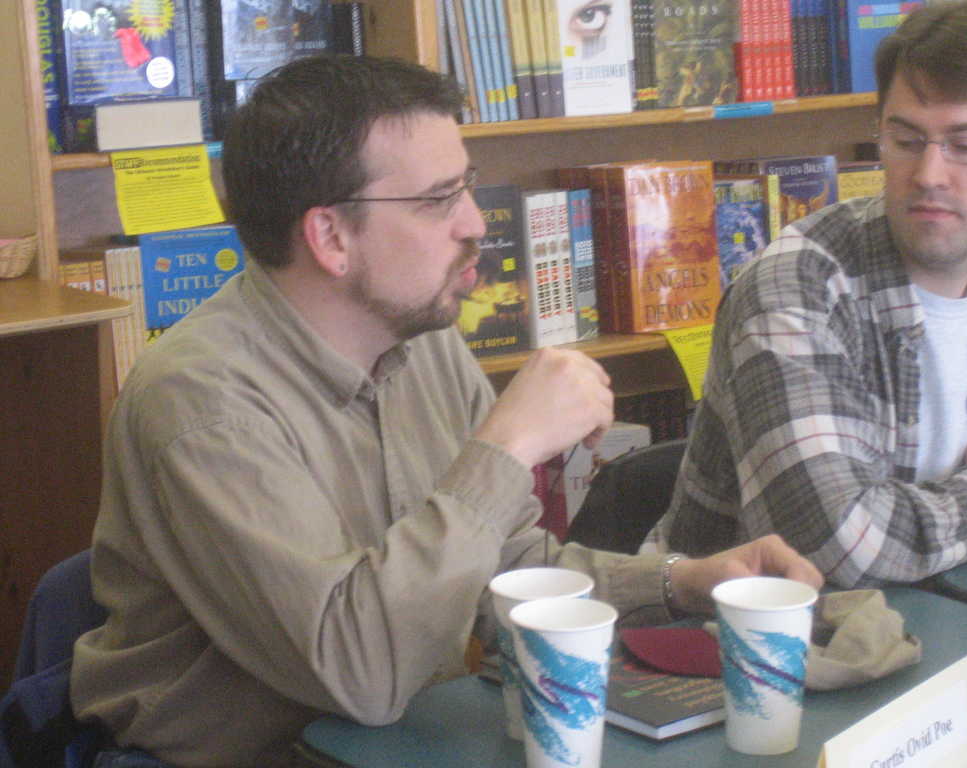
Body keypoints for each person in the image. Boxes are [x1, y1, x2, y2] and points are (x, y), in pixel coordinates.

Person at [69, 54, 821, 767]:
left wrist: (685, 582)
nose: (475, 223)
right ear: (330, 236)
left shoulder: (420, 341)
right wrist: (505, 445)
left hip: (395, 742)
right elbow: (360, 676)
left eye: (468, 187)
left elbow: (501, 573)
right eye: (437, 201)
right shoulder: (203, 403)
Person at [653, 0, 967, 589]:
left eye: (966, 145)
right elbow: (833, 549)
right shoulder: (795, 287)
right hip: (751, 631)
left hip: (950, 604)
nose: (930, 174)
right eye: (906, 139)